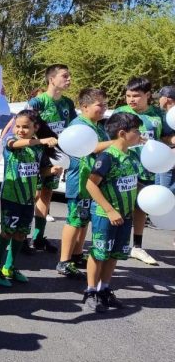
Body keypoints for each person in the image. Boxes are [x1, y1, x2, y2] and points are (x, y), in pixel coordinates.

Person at [0, 110, 60, 287]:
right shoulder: (10, 140)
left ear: (36, 127)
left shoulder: (38, 149)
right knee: (7, 233)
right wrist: (41, 140)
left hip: (28, 199)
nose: (20, 130)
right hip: (11, 197)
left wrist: (52, 170)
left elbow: (41, 170)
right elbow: (13, 144)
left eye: (25, 127)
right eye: (17, 126)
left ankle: (9, 267)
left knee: (21, 234)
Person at [83, 112, 143, 312]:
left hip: (125, 215)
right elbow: (91, 185)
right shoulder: (107, 157)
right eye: (136, 131)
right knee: (99, 253)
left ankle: (104, 289)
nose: (140, 134)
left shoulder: (131, 156)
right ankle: (90, 291)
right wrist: (109, 210)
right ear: (122, 133)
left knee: (114, 253)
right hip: (105, 215)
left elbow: (130, 183)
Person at [113, 77, 173, 265]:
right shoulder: (120, 113)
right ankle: (115, 243)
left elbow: (167, 138)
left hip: (148, 171)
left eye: (136, 96)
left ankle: (137, 247)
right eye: (128, 95)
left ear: (147, 95)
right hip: (123, 169)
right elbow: (111, 140)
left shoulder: (158, 114)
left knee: (141, 208)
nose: (131, 99)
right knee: (120, 207)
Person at [57, 88, 113, 279]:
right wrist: (117, 142)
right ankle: (64, 261)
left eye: (105, 104)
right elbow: (92, 148)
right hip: (80, 181)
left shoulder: (97, 125)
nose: (103, 108)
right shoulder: (79, 125)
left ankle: (77, 254)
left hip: (93, 181)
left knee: (83, 219)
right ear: (84, 107)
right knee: (74, 220)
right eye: (99, 105)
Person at [25, 65, 77, 254]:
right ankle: (21, 236)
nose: (69, 79)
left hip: (56, 155)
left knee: (46, 194)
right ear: (51, 79)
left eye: (69, 76)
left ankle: (38, 238)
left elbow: (73, 128)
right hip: (36, 154)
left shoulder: (68, 103)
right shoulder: (37, 102)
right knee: (31, 195)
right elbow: (25, 125)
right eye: (65, 76)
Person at [154, 86, 175, 194]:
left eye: (160, 97)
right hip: (163, 159)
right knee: (159, 190)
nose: (158, 100)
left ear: (166, 99)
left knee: (165, 193)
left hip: (169, 161)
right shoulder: (164, 115)